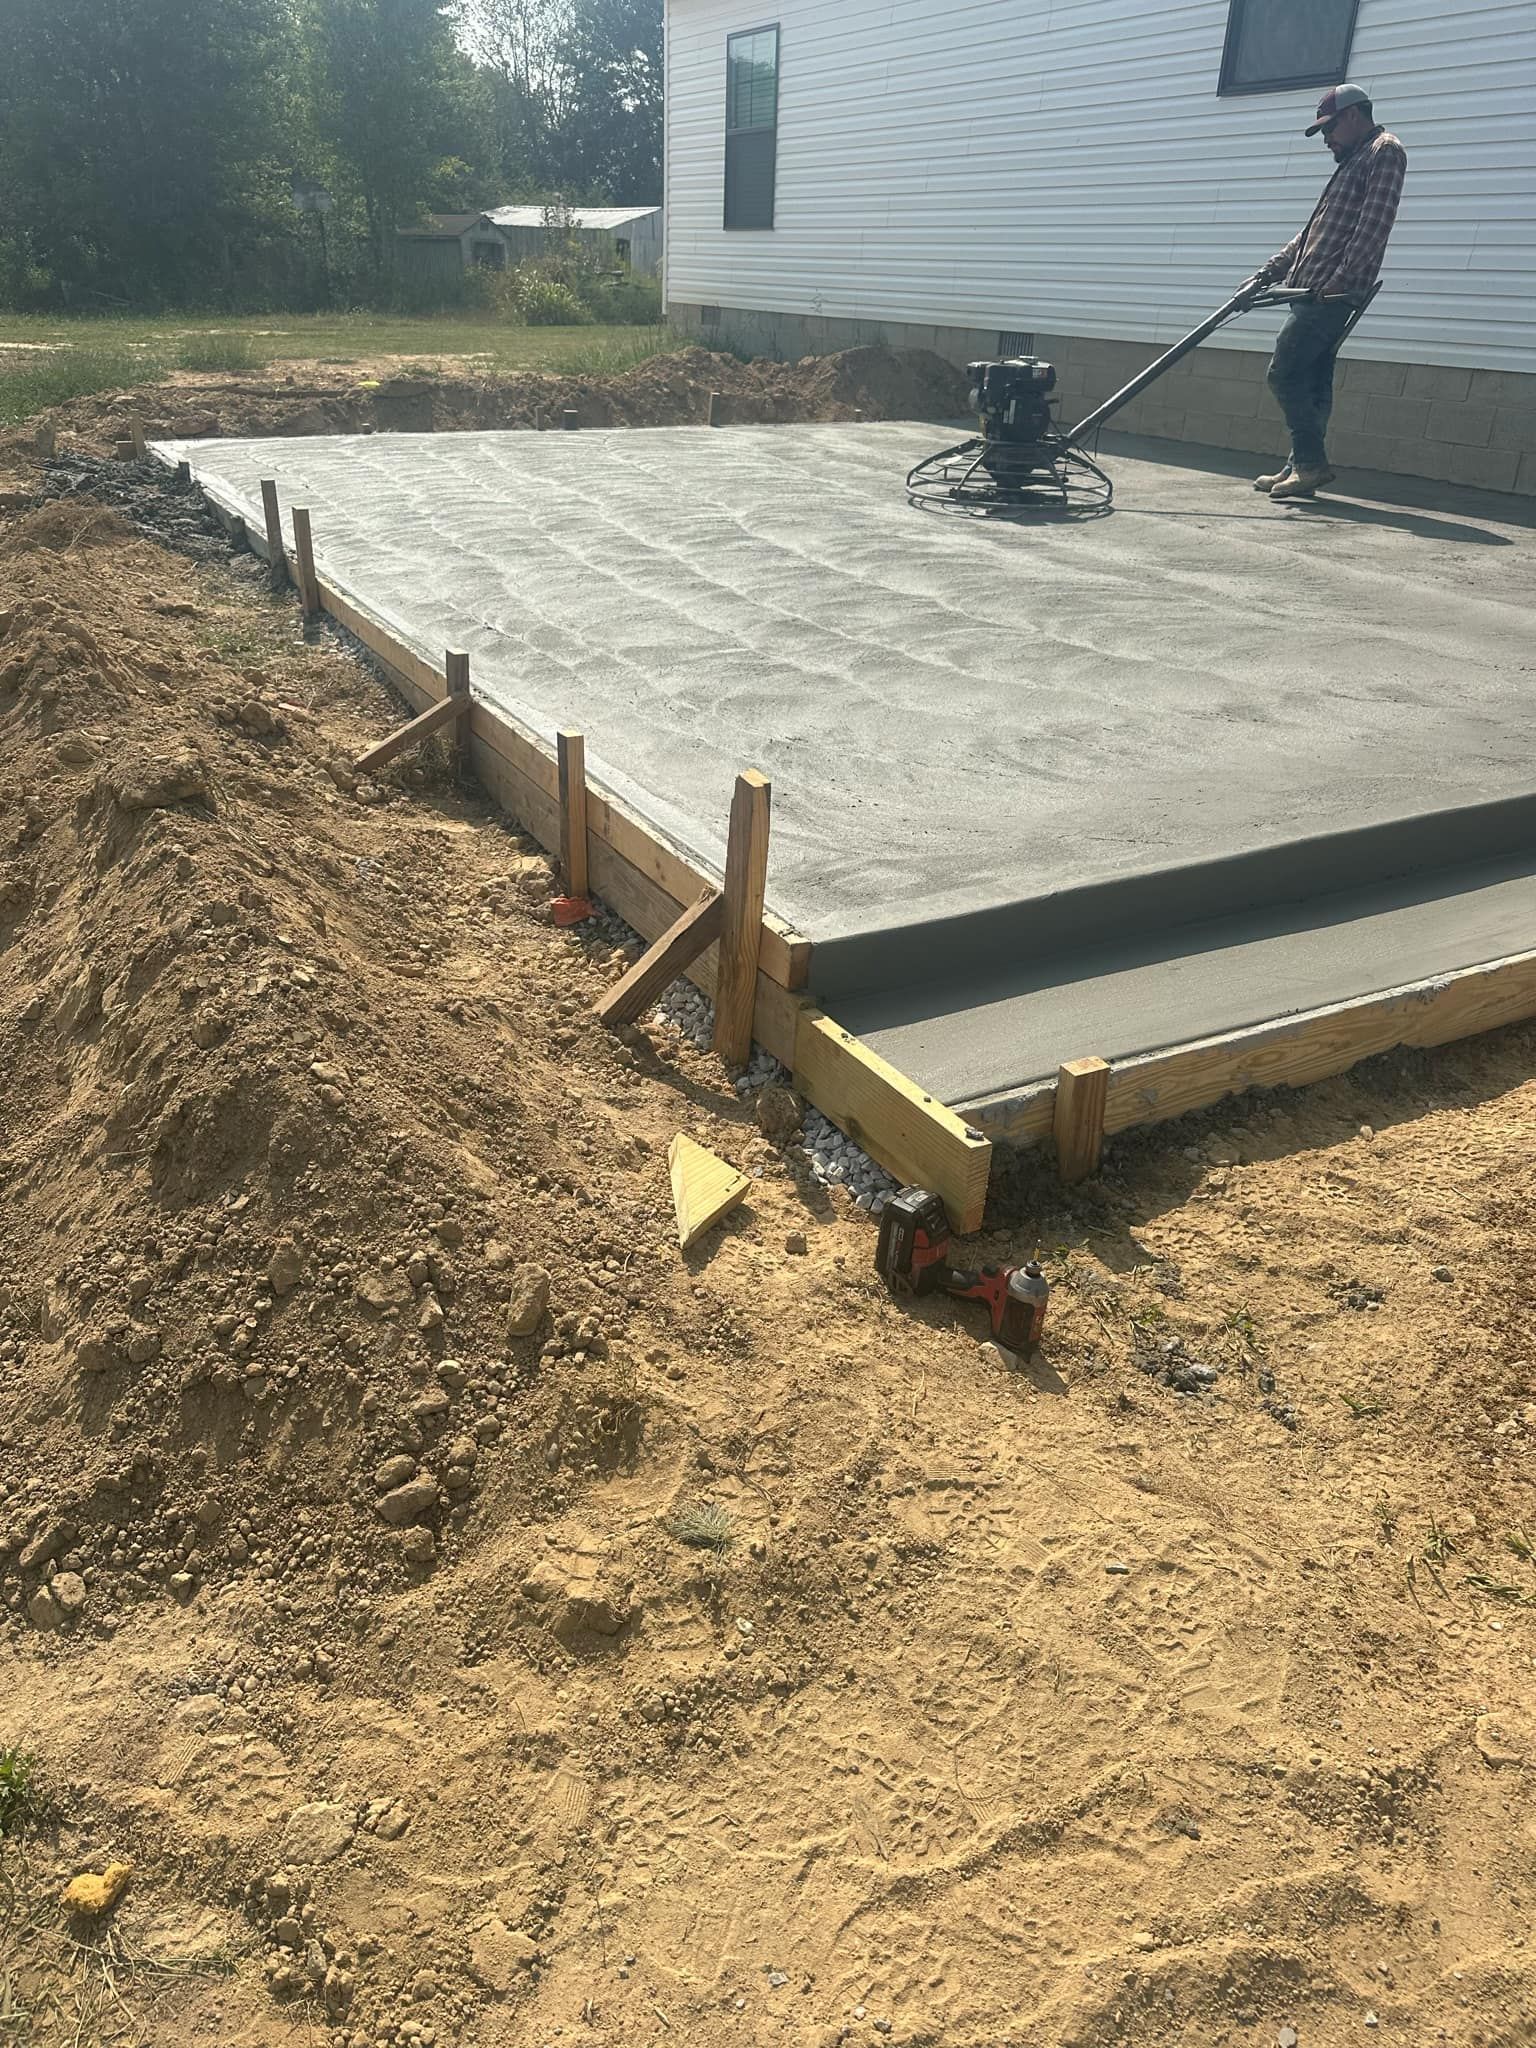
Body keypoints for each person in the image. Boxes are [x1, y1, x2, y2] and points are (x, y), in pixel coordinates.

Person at [1252, 84, 1407, 499]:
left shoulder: (1384, 152)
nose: (1326, 139)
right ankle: (1299, 467)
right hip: (1310, 291)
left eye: (1329, 129)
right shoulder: (1354, 159)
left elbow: (1374, 225)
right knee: (1312, 381)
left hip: (1330, 295)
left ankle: (1309, 464)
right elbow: (1312, 233)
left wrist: (1340, 279)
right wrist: (1269, 271)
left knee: (1283, 373)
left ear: (1354, 116)